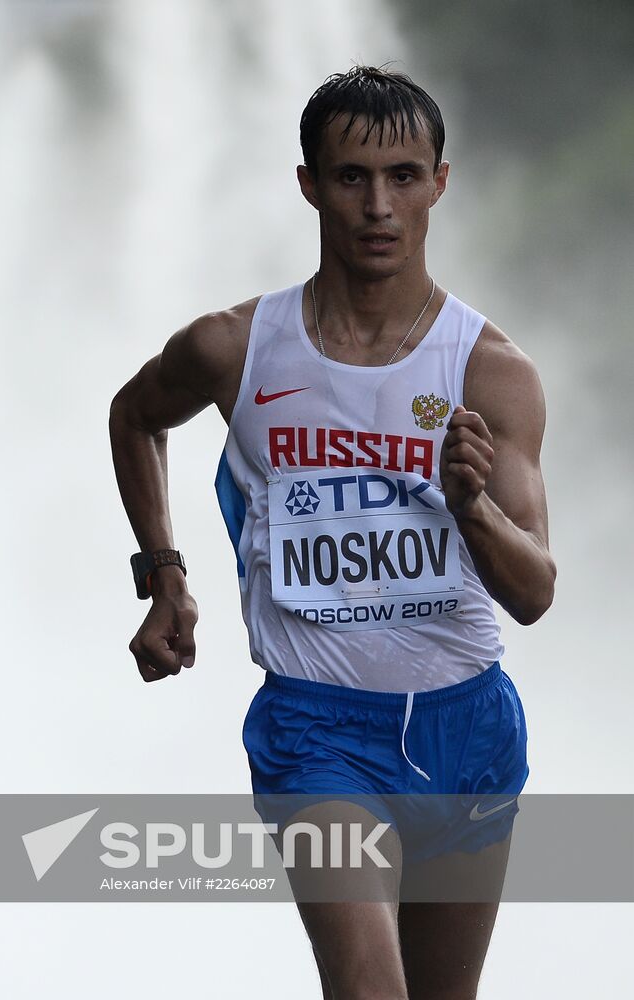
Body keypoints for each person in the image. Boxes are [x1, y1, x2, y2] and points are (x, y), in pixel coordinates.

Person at [109, 66, 554, 1000]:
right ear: (308, 183)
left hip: (466, 726)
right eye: (351, 177)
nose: (378, 206)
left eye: (402, 176)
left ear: (440, 181)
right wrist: (164, 574)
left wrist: (472, 508)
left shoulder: (490, 370)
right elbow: (134, 414)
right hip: (318, 732)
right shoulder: (235, 348)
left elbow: (534, 592)